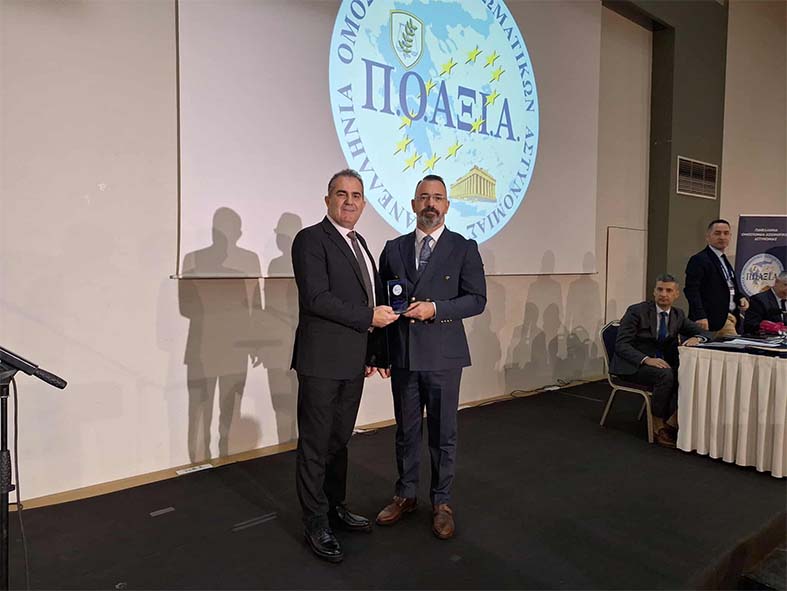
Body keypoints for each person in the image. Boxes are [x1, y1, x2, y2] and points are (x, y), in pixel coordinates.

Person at [290, 169, 399, 563]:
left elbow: (368, 297)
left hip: (352, 362)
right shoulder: (310, 240)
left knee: (338, 441)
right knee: (315, 444)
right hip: (321, 361)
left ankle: (335, 507)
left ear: (364, 203)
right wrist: (369, 318)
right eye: (341, 194)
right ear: (327, 200)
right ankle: (315, 522)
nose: (349, 201)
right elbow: (316, 298)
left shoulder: (361, 242)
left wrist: (373, 353)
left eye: (356, 195)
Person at [375, 174, 486, 540]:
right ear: (413, 204)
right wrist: (381, 354)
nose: (431, 204)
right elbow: (381, 305)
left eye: (437, 198)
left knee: (443, 433)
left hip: (443, 356)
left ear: (447, 206)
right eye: (424, 197)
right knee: (406, 431)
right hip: (404, 355)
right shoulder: (393, 248)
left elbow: (477, 299)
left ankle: (441, 501)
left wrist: (435, 308)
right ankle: (406, 494)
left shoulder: (464, 248)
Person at [610, 274, 710, 447]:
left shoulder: (678, 315)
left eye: (669, 290)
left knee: (689, 372)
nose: (664, 294)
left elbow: (705, 333)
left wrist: (697, 338)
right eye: (660, 289)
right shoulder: (636, 311)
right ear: (654, 292)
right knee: (665, 375)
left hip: (661, 363)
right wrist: (646, 359)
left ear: (676, 294)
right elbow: (621, 345)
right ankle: (657, 426)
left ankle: (673, 421)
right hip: (633, 365)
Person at [684, 219, 748, 334]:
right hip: (710, 320)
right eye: (717, 233)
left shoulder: (724, 260)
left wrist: (740, 297)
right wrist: (700, 315)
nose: (722, 237)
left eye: (726, 233)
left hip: (731, 316)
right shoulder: (699, 259)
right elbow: (691, 290)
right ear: (708, 237)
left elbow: (728, 286)